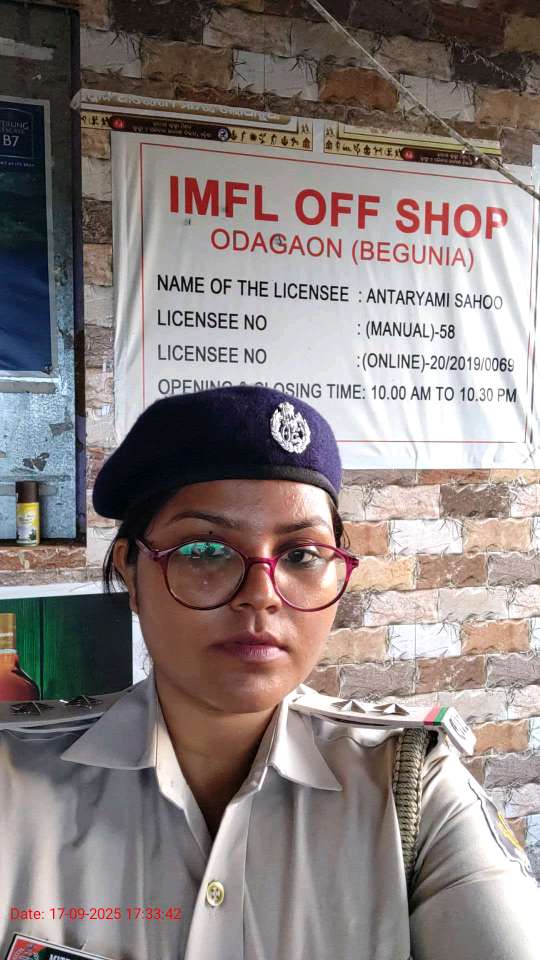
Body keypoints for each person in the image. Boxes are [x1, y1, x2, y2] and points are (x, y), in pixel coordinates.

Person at [0, 384, 537, 960]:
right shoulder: (13, 786)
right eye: (205, 551)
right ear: (130, 571)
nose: (262, 595)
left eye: (301, 555)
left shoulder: (409, 790)